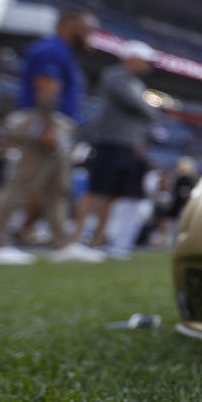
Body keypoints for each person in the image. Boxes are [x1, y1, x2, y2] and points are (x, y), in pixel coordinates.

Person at [0, 10, 100, 264]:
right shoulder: (52, 50)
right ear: (69, 25)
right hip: (45, 120)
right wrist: (47, 126)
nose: (90, 36)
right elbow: (46, 88)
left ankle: (61, 245)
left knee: (58, 187)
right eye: (86, 29)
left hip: (54, 123)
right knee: (25, 182)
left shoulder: (62, 52)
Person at [68, 40, 159, 256]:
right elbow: (137, 106)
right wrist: (146, 108)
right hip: (111, 141)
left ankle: (97, 242)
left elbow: (146, 111)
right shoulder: (115, 75)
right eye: (143, 60)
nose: (147, 65)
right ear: (132, 58)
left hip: (127, 145)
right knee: (96, 190)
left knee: (112, 194)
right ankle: (77, 239)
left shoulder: (136, 83)